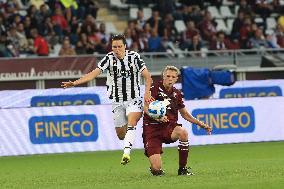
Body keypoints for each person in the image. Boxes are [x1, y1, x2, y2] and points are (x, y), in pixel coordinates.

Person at [61, 34, 154, 165]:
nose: (117, 50)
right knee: (121, 135)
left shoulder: (134, 57)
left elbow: (147, 76)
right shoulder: (109, 59)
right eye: (114, 47)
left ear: (125, 46)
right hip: (117, 101)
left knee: (132, 120)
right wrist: (75, 83)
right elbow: (94, 73)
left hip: (134, 98)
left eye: (119, 47)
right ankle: (132, 130)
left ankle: (126, 153)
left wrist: (147, 92)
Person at [143, 66, 212, 176]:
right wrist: (156, 117)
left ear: (176, 79)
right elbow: (145, 107)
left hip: (168, 127)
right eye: (168, 76)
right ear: (163, 76)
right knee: (157, 169)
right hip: (152, 128)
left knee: (183, 132)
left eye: (173, 77)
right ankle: (154, 168)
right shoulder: (154, 89)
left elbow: (185, 114)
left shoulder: (177, 94)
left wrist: (201, 124)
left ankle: (182, 169)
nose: (170, 79)